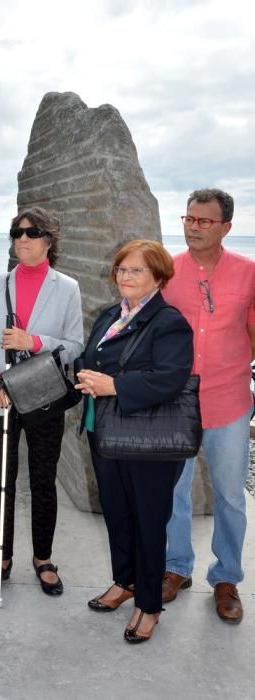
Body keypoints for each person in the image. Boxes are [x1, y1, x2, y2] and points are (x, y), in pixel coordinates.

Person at [76, 239, 193, 643]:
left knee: (147, 521)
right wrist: (82, 373)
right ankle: (123, 581)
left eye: (137, 270)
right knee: (118, 514)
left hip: (149, 440)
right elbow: (92, 358)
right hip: (104, 431)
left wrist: (114, 385)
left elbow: (171, 377)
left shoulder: (169, 321)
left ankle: (149, 603)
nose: (126, 276)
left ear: (159, 277)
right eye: (122, 269)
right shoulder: (111, 314)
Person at [0, 207, 83, 597]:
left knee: (42, 480)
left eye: (31, 233)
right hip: (0, 396)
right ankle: (0, 558)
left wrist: (33, 342)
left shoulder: (66, 287)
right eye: (16, 233)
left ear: (49, 240)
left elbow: (75, 346)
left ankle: (43, 558)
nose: (22, 240)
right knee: (1, 481)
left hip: (43, 396)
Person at [161, 188, 255, 624]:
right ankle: (176, 567)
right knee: (173, 490)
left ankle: (227, 577)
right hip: (176, 403)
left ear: (226, 227)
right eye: (189, 219)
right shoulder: (166, 271)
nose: (193, 227)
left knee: (232, 497)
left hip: (230, 401)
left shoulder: (249, 274)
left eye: (204, 221)